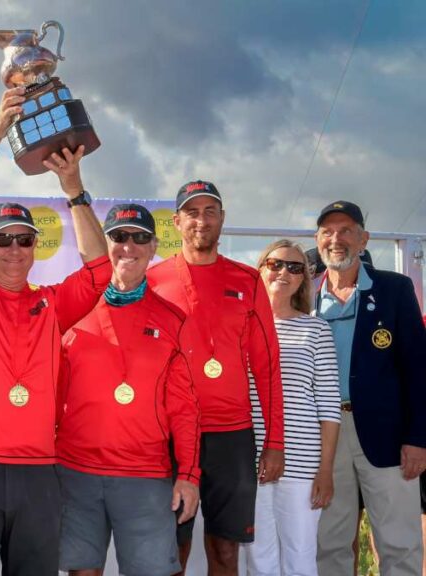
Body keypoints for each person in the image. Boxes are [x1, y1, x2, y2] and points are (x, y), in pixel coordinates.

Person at [0, 86, 110, 576]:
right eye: (3, 239)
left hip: (38, 472)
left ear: (36, 247)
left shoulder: (51, 303)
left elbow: (99, 270)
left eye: (25, 239)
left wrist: (74, 188)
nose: (14, 248)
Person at [147, 180, 285, 576]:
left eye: (210, 211)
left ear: (223, 219)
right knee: (172, 552)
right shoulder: (153, 280)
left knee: (225, 552)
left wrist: (274, 442)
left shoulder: (247, 280)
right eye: (192, 212)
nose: (201, 220)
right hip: (171, 435)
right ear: (176, 222)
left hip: (232, 436)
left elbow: (266, 364)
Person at [56, 204, 201, 576]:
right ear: (105, 244)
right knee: (81, 572)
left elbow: (185, 408)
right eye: (119, 237)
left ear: (154, 247)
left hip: (144, 475)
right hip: (76, 472)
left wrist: (188, 474)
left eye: (140, 238)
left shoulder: (173, 320)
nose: (129, 246)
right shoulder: (74, 310)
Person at [313, 200, 426, 575]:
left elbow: (417, 368)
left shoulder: (395, 289)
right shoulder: (305, 298)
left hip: (389, 437)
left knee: (398, 543)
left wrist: (417, 438)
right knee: (328, 542)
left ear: (364, 239)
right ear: (318, 240)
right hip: (325, 439)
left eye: (346, 230)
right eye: (328, 232)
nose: (336, 239)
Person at [243, 239, 341, 576]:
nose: (284, 271)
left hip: (302, 464)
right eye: (276, 264)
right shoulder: (239, 326)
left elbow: (329, 407)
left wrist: (325, 470)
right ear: (260, 269)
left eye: (295, 267)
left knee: (300, 555)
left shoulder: (317, 329)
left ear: (303, 279)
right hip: (249, 459)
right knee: (257, 556)